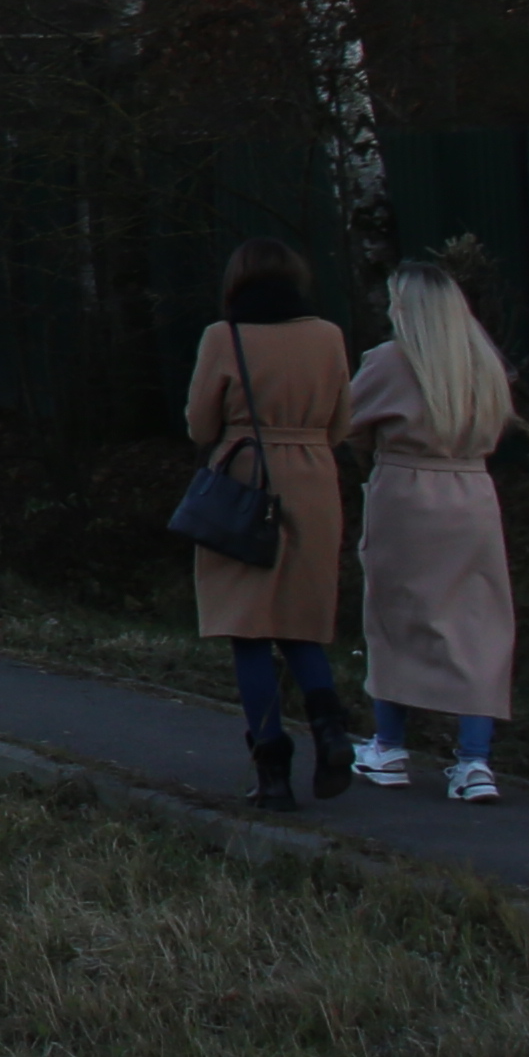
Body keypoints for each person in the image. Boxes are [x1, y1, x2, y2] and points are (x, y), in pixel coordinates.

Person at [343, 257, 520, 803]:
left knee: (396, 615)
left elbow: (346, 423)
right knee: (477, 620)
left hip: (406, 492)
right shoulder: (483, 362)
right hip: (472, 493)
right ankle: (473, 762)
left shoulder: (391, 361)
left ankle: (390, 746)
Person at [188, 236, 355, 808]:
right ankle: (331, 724)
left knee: (249, 628)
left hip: (245, 480)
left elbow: (200, 424)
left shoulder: (223, 337)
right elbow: (341, 423)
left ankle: (271, 761)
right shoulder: (329, 337)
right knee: (301, 619)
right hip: (313, 478)